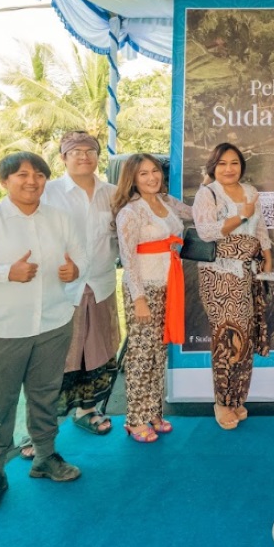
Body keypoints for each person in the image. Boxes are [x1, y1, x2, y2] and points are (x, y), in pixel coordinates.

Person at [0, 151, 88, 517]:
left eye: (39, 174)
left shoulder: (60, 217)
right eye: (22, 175)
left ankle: (44, 457)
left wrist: (75, 270)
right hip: (0, 329)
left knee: (45, 396)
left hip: (52, 325)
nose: (32, 181)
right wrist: (6, 272)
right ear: (4, 181)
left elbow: (81, 257)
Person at [40, 131, 120, 438]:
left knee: (96, 348)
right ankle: (42, 427)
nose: (84, 155)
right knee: (58, 354)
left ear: (98, 156)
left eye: (90, 150)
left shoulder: (113, 193)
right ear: (63, 158)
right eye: (76, 151)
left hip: (100, 284)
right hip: (61, 289)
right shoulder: (48, 192)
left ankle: (87, 410)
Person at [193, 142, 273, 430]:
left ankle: (238, 397)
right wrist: (242, 215)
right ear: (214, 166)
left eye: (234, 163)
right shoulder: (208, 193)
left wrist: (267, 256)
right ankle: (222, 402)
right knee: (229, 337)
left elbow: (261, 227)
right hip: (219, 275)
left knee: (247, 336)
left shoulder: (250, 192)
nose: (229, 169)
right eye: (223, 163)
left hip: (249, 273)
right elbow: (206, 231)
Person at [112, 154, 193, 443]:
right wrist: (139, 298)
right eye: (143, 173)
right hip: (144, 287)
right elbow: (128, 258)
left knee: (159, 352)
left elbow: (195, 214)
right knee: (141, 354)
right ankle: (134, 419)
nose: (151, 177)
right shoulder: (130, 212)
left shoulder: (167, 202)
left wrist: (211, 188)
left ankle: (154, 412)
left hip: (169, 284)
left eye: (155, 171)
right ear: (132, 178)